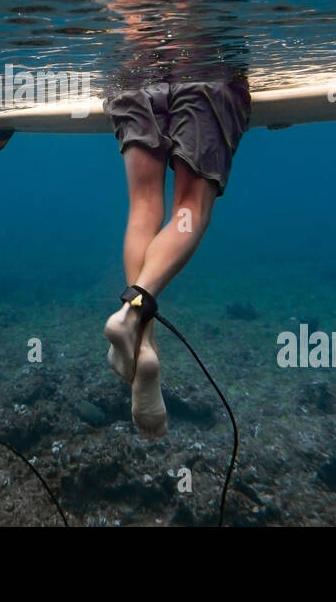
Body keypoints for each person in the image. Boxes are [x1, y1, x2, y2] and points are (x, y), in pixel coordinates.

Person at [101, 76, 253, 439]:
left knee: (143, 206)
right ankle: (132, 312)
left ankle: (145, 342)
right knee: (190, 211)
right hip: (206, 77)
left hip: (133, 77)